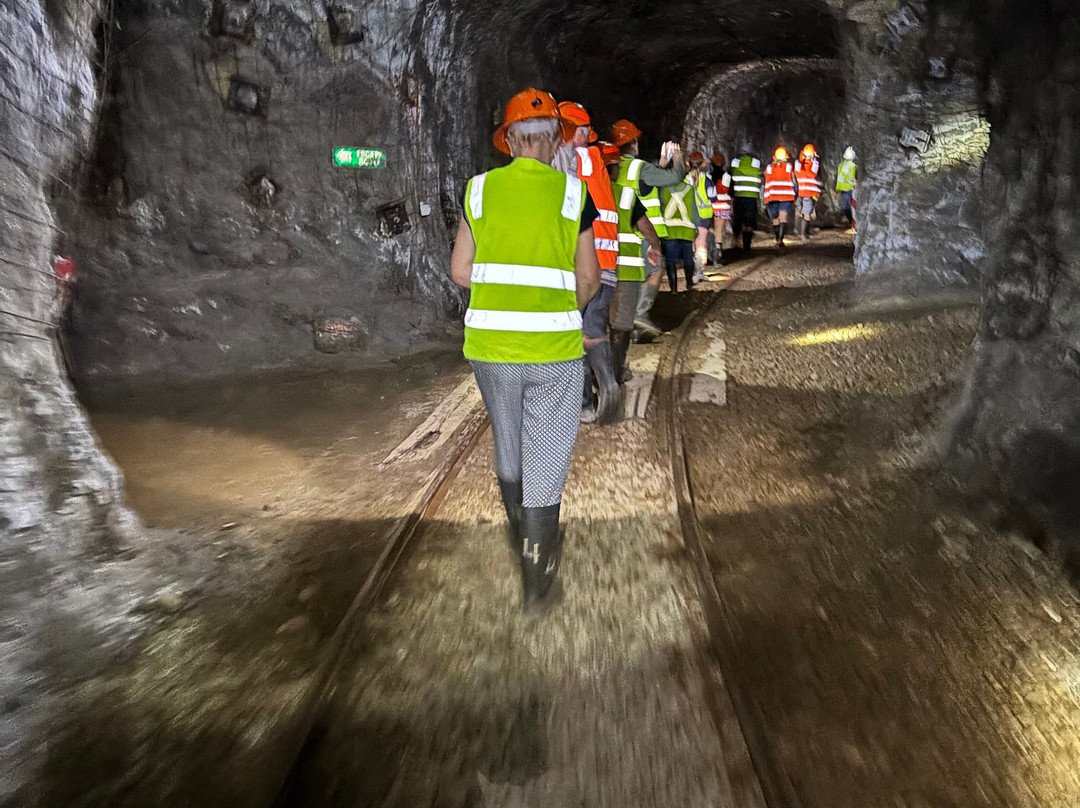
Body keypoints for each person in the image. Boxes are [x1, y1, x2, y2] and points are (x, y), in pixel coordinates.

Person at [450, 88, 600, 613]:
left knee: (509, 445)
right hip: (555, 348)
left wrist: (500, 298)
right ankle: (538, 581)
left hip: (490, 347)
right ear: (556, 139)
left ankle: (520, 542)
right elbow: (589, 278)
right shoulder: (572, 195)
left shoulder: (477, 190)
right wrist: (558, 306)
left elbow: (460, 272)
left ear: (509, 140)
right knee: (547, 458)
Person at [556, 101, 622, 425]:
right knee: (593, 329)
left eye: (566, 131)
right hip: (607, 262)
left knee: (573, 333)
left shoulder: (576, 160)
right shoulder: (596, 162)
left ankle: (584, 403)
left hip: (583, 262)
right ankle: (608, 384)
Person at [610, 119, 686, 338]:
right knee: (654, 271)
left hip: (615, 232)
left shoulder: (611, 165)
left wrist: (660, 165)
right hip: (640, 233)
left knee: (623, 280)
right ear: (632, 143)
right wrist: (678, 161)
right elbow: (673, 178)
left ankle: (623, 323)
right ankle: (639, 315)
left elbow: (643, 182)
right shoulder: (638, 166)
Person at [603, 141, 662, 384]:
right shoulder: (625, 194)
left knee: (600, 325)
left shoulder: (585, 192)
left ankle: (598, 374)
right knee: (623, 325)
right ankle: (617, 370)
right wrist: (656, 246)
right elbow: (645, 226)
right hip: (626, 271)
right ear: (614, 168)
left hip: (598, 270)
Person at [660, 154, 701, 292]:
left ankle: (674, 289)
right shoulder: (690, 189)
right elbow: (694, 210)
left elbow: (660, 208)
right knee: (688, 258)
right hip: (687, 230)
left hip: (670, 231)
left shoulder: (664, 189)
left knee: (671, 260)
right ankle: (689, 283)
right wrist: (696, 227)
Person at [729, 144, 763, 251]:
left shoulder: (735, 162)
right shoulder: (756, 162)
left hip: (739, 196)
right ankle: (747, 246)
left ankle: (735, 240)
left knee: (738, 219)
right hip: (751, 197)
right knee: (749, 222)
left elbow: (731, 176)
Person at [763, 145, 796, 250]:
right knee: (783, 218)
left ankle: (777, 238)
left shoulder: (769, 168)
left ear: (774, 157)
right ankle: (780, 240)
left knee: (775, 220)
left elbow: (766, 183)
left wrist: (765, 199)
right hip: (785, 197)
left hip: (772, 197)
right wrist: (795, 196)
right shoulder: (789, 167)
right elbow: (794, 182)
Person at [690, 151, 715, 283]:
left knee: (691, 244)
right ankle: (698, 272)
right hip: (703, 216)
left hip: (688, 216)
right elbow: (713, 197)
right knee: (701, 244)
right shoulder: (706, 180)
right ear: (703, 164)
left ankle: (691, 271)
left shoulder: (684, 179)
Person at [793, 143, 822, 243]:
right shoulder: (814, 164)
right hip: (809, 193)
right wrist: (814, 159)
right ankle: (803, 234)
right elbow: (813, 172)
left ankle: (799, 231)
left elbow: (797, 169)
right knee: (806, 214)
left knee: (800, 212)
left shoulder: (798, 165)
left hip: (800, 192)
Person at [710, 156, 733, 262]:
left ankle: (710, 252)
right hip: (723, 207)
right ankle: (718, 255)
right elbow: (731, 193)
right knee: (719, 231)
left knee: (711, 230)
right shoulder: (727, 176)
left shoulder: (708, 176)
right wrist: (731, 207)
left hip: (710, 206)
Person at [836, 146, 858, 234]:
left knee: (846, 207)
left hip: (846, 188)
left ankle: (852, 224)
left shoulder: (841, 165)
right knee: (847, 207)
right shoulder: (853, 166)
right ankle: (852, 224)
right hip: (848, 188)